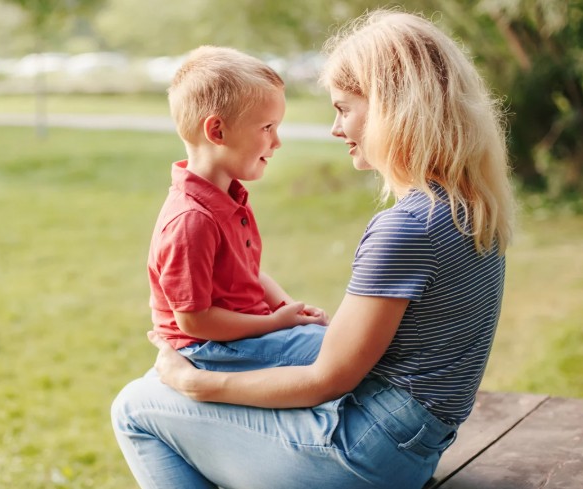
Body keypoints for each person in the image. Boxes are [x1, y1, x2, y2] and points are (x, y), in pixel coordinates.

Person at [112, 8, 515, 489]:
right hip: (415, 448)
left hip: (364, 457)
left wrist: (197, 384)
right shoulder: (470, 208)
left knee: (135, 406)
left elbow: (328, 380)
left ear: (393, 107)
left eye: (344, 108)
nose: (335, 128)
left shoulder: (407, 229)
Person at [147, 45, 329, 373]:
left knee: (336, 343)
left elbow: (248, 273)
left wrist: (289, 309)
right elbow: (194, 320)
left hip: (243, 334)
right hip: (208, 350)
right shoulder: (192, 220)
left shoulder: (226, 198)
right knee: (342, 353)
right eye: (267, 128)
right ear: (217, 131)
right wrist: (274, 323)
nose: (277, 142)